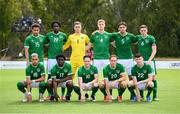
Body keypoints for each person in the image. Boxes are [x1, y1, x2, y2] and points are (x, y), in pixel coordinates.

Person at [111, 21, 137, 100]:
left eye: (123, 27)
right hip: (120, 60)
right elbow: (107, 36)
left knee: (131, 78)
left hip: (129, 59)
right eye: (120, 27)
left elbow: (137, 41)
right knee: (120, 79)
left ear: (126, 28)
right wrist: (116, 45)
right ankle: (119, 96)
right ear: (118, 28)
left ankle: (133, 95)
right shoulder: (115, 35)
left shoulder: (131, 36)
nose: (122, 29)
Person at [135, 25, 159, 101]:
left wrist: (149, 60)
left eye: (144, 30)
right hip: (140, 60)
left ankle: (154, 96)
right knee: (140, 77)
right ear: (140, 31)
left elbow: (154, 50)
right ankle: (141, 96)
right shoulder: (138, 38)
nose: (143, 32)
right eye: (142, 30)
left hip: (150, 61)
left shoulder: (151, 38)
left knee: (153, 78)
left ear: (147, 30)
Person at [45, 21, 67, 100]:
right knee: (50, 76)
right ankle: (50, 94)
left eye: (57, 26)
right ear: (52, 27)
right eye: (54, 26)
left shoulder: (63, 35)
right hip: (51, 58)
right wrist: (50, 47)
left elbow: (66, 43)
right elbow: (45, 43)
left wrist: (62, 48)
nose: (56, 27)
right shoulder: (48, 35)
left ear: (59, 27)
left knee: (63, 74)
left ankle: (62, 95)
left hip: (60, 58)